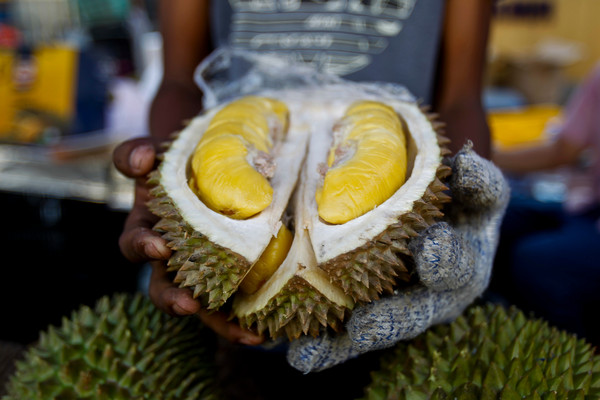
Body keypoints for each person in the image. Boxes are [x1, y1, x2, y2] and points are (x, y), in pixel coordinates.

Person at [112, 1, 495, 398]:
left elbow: (462, 98)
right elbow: (180, 81)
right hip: (225, 313)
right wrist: (165, 182)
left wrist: (465, 213)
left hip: (397, 279)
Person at [491, 61, 600, 348]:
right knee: (492, 222)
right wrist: (482, 155)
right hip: (584, 207)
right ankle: (503, 333)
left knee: (536, 260)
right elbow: (563, 150)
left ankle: (578, 360)